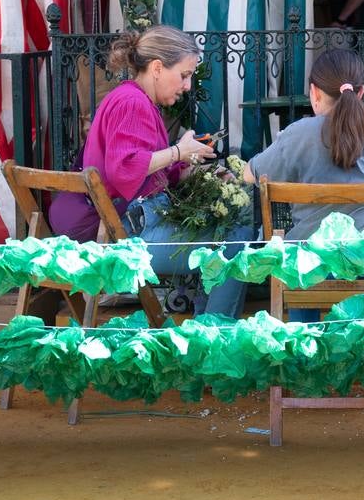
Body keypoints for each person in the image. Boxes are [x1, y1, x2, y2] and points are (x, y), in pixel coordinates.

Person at [47, 26, 254, 319]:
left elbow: (153, 174)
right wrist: (179, 152)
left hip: (132, 228)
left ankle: (206, 330)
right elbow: (126, 169)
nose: (186, 85)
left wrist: (195, 171)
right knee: (235, 243)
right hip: (128, 238)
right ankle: (214, 337)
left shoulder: (134, 99)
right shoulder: (132, 103)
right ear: (157, 68)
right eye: (183, 75)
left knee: (231, 230)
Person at [242, 49, 364, 240]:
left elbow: (250, 174)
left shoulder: (297, 134)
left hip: (308, 262)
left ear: (314, 92)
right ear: (360, 92)